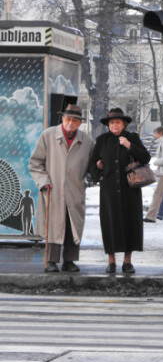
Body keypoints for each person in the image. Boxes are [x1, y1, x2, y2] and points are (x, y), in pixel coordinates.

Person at [29, 104, 93, 273]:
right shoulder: (48, 135)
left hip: (75, 190)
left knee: (73, 226)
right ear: (63, 119)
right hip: (53, 188)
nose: (71, 123)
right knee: (54, 224)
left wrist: (93, 173)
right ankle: (51, 260)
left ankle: (69, 261)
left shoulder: (86, 141)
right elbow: (35, 163)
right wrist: (43, 181)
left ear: (80, 123)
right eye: (68, 119)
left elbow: (93, 165)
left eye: (75, 120)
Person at [89, 108, 151, 274]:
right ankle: (111, 261)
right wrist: (99, 176)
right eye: (111, 122)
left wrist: (129, 146)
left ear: (123, 124)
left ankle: (127, 261)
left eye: (117, 122)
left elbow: (145, 157)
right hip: (109, 190)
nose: (114, 125)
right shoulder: (102, 140)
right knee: (110, 223)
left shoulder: (132, 138)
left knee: (129, 223)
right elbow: (92, 162)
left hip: (129, 188)